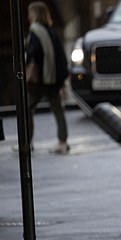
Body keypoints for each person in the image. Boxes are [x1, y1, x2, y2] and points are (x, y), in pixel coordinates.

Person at [26, 1, 70, 154]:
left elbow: (33, 53)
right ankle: (62, 142)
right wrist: (61, 78)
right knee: (58, 110)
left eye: (30, 13)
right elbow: (61, 56)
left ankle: (27, 143)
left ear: (34, 14)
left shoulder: (35, 31)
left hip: (39, 81)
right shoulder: (52, 32)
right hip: (53, 80)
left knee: (27, 110)